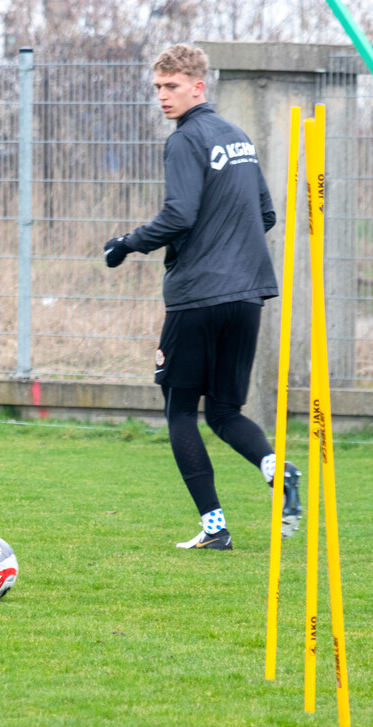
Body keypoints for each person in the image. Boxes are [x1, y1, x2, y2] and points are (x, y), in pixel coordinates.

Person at [101, 44, 300, 551]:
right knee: (226, 411)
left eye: (172, 86)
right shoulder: (238, 137)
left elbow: (178, 216)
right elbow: (265, 215)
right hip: (248, 295)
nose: (163, 97)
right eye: (158, 88)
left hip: (197, 298)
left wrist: (126, 244)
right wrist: (227, 247)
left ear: (198, 86)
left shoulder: (185, 140)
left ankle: (215, 528)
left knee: (180, 411)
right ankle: (277, 469)